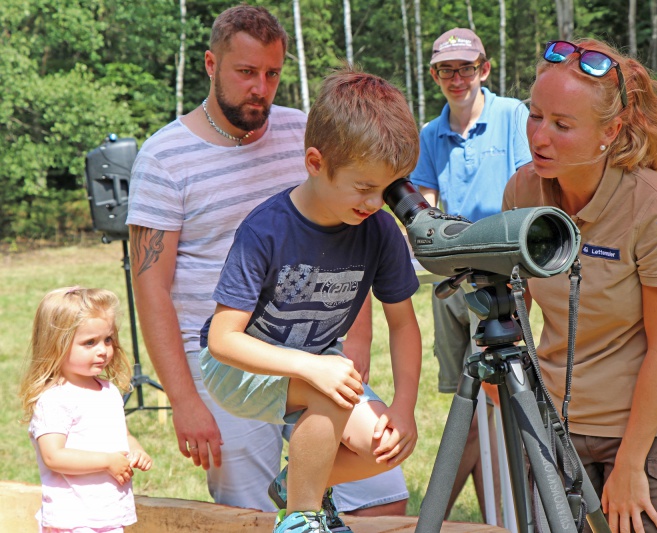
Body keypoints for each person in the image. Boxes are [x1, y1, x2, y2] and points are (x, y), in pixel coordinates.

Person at [126, 3, 409, 523]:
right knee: (249, 514)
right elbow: (151, 289)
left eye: (273, 73)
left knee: (381, 498)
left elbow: (347, 242)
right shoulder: (163, 157)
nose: (261, 87)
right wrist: (184, 400)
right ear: (211, 64)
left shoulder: (306, 133)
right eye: (246, 72)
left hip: (316, 347)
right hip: (228, 357)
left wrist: (357, 343)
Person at [198, 67, 422, 533]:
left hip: (317, 366)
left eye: (386, 190)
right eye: (364, 188)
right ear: (315, 163)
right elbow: (222, 340)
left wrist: (403, 409)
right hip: (237, 368)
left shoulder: (379, 230)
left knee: (384, 444)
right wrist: (309, 366)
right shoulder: (265, 229)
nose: (375, 203)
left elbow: (403, 324)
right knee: (329, 386)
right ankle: (302, 518)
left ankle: (297, 486)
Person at [502, 38, 657, 533]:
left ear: (609, 132)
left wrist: (630, 465)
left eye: (562, 125)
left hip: (646, 435)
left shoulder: (654, 206)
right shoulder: (523, 191)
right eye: (535, 116)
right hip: (556, 424)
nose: (539, 137)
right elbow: (514, 304)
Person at [409, 27, 532, 521]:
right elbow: (425, 200)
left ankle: (462, 515)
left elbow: (529, 186)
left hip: (506, 277)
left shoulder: (513, 116)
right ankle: (492, 518)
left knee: (504, 401)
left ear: (484, 69)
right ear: (434, 75)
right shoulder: (429, 134)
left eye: (465, 68)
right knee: (473, 402)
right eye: (446, 70)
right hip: (452, 283)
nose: (456, 79)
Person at [19, 287, 153, 533]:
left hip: (107, 514)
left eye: (108, 339)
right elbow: (54, 456)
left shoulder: (109, 391)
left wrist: (135, 450)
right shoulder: (55, 399)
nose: (103, 350)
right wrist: (107, 462)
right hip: (72, 519)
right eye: (90, 342)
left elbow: (122, 435)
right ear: (56, 345)